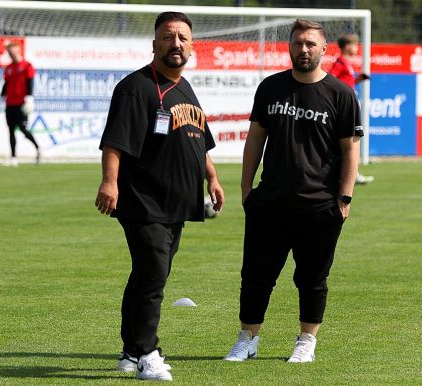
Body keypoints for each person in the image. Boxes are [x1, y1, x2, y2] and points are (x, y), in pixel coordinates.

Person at [94, 12, 224, 382]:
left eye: (183, 38)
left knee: (147, 276)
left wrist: (212, 178)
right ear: (155, 44)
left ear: (192, 46)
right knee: (153, 275)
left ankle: (131, 350)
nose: (176, 44)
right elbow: (115, 141)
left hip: (177, 205)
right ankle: (149, 352)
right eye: (169, 37)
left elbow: (200, 141)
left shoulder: (185, 89)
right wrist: (109, 183)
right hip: (143, 200)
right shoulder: (136, 87)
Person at [224, 19, 362, 363]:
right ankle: (247, 339)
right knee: (256, 276)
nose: (304, 49)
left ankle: (306, 340)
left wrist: (344, 198)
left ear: (324, 49)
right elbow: (255, 138)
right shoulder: (270, 88)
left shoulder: (341, 94)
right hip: (269, 202)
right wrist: (246, 189)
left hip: (319, 205)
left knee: (313, 278)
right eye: (298, 43)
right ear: (289, 46)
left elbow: (350, 149)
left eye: (311, 44)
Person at [329, 34, 373, 185]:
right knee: (350, 139)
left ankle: (353, 174)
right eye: (354, 44)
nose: (357, 47)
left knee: (352, 139)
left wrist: (357, 80)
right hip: (342, 106)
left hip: (348, 104)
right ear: (347, 46)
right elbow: (330, 80)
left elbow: (344, 83)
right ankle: (350, 175)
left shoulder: (347, 63)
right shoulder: (340, 62)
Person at [1, 42, 40, 166]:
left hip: (21, 104)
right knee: (11, 130)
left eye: (13, 52)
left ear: (18, 51)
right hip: (10, 103)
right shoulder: (9, 68)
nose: (11, 55)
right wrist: (1, 97)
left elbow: (30, 82)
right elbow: (6, 84)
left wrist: (29, 98)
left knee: (23, 128)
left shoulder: (27, 66)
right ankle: (13, 157)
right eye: (9, 53)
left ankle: (38, 148)